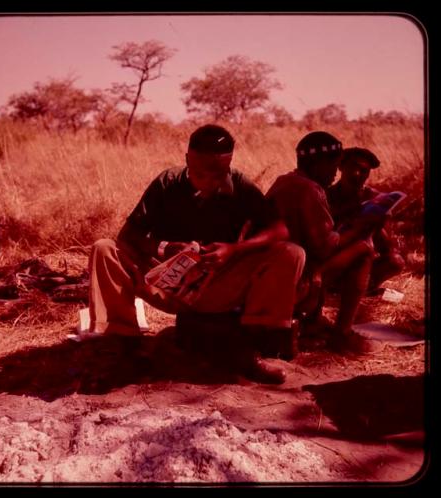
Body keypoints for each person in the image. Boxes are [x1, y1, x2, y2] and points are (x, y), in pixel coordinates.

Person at [87, 124, 305, 383]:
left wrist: (234, 250)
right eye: (201, 174)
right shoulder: (167, 183)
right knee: (105, 248)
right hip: (164, 283)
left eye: (219, 174)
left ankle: (252, 349)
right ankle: (120, 348)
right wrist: (164, 248)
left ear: (230, 162)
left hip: (216, 285)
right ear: (187, 159)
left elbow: (279, 229)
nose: (211, 182)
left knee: (291, 253)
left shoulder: (240, 185)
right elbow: (128, 236)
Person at [265, 131, 382, 354]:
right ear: (319, 164)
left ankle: (314, 319)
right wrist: (361, 228)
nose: (334, 174)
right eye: (333, 166)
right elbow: (324, 246)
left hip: (272, 272)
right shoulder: (311, 189)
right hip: (294, 281)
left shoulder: (285, 181)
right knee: (364, 249)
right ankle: (342, 333)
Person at [326, 147, 405, 293]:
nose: (357, 174)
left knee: (395, 262)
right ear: (341, 167)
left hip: (362, 259)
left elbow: (387, 248)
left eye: (364, 171)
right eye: (353, 167)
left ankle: (358, 286)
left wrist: (379, 226)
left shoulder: (376, 198)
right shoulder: (326, 195)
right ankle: (343, 286)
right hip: (333, 258)